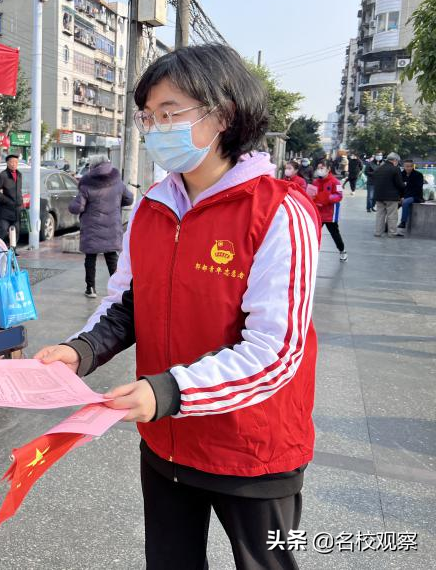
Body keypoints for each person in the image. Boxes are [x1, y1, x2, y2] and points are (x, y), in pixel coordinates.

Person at [36, 44, 320, 570]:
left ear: (224, 114)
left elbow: (276, 352)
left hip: (252, 451)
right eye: (148, 116)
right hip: (166, 442)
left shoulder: (280, 212)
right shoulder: (152, 206)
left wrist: (168, 390)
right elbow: (127, 300)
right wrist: (81, 351)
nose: (154, 128)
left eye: (170, 113)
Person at [68, 155, 134, 298]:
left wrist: (71, 203)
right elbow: (129, 199)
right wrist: (115, 203)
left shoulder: (87, 184)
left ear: (93, 166)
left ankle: (90, 289)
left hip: (92, 228)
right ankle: (117, 288)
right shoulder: (117, 181)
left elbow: (78, 207)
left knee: (90, 258)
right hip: (112, 226)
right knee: (112, 257)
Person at [309, 159, 347, 261]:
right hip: (318, 212)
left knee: (335, 233)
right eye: (318, 168)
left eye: (322, 168)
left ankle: (342, 250)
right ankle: (312, 252)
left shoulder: (335, 181)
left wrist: (327, 198)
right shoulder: (315, 182)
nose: (320, 170)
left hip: (330, 213)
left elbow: (339, 196)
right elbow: (311, 195)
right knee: (313, 233)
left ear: (328, 169)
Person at [372, 152, 405, 237]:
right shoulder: (395, 169)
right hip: (391, 197)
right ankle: (392, 233)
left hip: (379, 195)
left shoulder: (378, 169)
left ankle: (378, 232)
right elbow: (399, 184)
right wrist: (404, 188)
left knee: (380, 215)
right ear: (395, 160)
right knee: (392, 215)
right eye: (397, 161)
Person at [0, 155, 23, 244]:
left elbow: (19, 191)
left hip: (17, 209)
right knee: (3, 230)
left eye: (16, 162)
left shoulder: (19, 174)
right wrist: (7, 201)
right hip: (5, 210)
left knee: (16, 231)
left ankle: (13, 250)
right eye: (12, 162)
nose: (14, 164)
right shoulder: (2, 175)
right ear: (7, 163)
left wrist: (21, 204)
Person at [399, 159, 425, 231]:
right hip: (403, 196)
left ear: (413, 166)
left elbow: (417, 189)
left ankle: (403, 222)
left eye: (410, 166)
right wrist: (400, 197)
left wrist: (405, 197)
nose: (408, 168)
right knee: (392, 204)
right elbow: (399, 188)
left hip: (415, 196)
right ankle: (387, 224)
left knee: (405, 202)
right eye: (406, 166)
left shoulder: (418, 175)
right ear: (404, 166)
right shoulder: (401, 174)